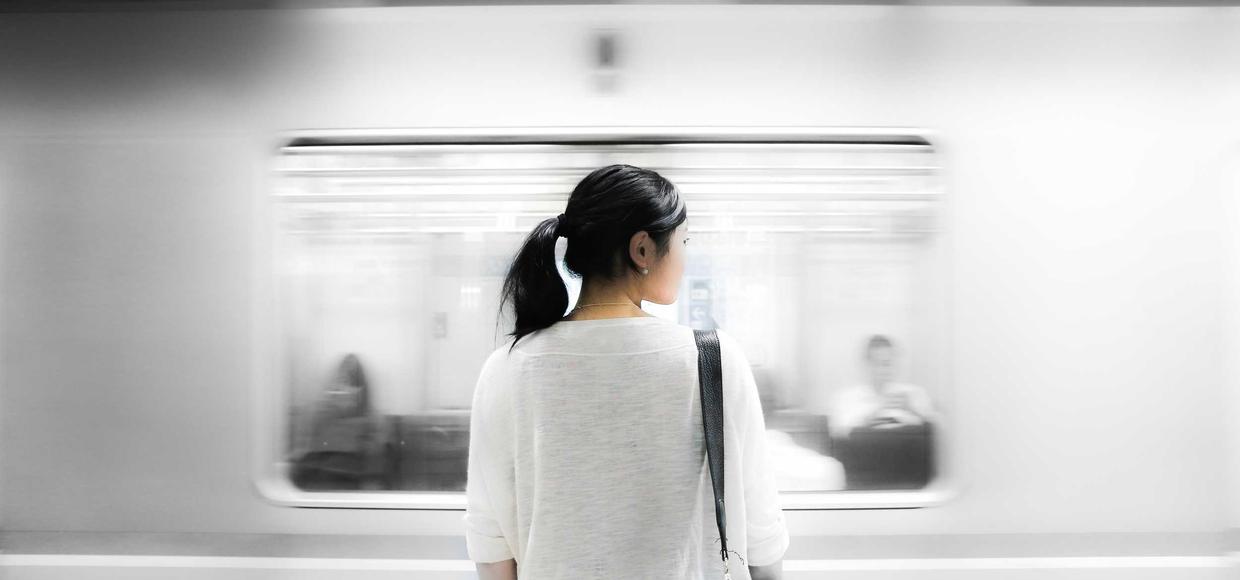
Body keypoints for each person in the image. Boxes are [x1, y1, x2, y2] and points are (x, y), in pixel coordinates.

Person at [464, 164, 789, 580]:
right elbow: (761, 535)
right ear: (642, 249)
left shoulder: (507, 368)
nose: (685, 258)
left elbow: (491, 545)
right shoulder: (713, 359)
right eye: (684, 242)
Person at [291, 353, 388, 491]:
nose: (345, 390)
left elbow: (374, 469)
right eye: (341, 382)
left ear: (361, 389)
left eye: (352, 384)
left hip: (354, 486)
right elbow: (305, 457)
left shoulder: (373, 420)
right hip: (319, 484)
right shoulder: (319, 414)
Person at [828, 335, 939, 439]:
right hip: (863, 450)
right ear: (866, 365)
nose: (882, 370)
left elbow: (938, 431)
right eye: (876, 363)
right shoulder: (846, 398)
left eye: (887, 363)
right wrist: (876, 412)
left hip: (907, 450)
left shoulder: (913, 393)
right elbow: (837, 434)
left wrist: (911, 409)